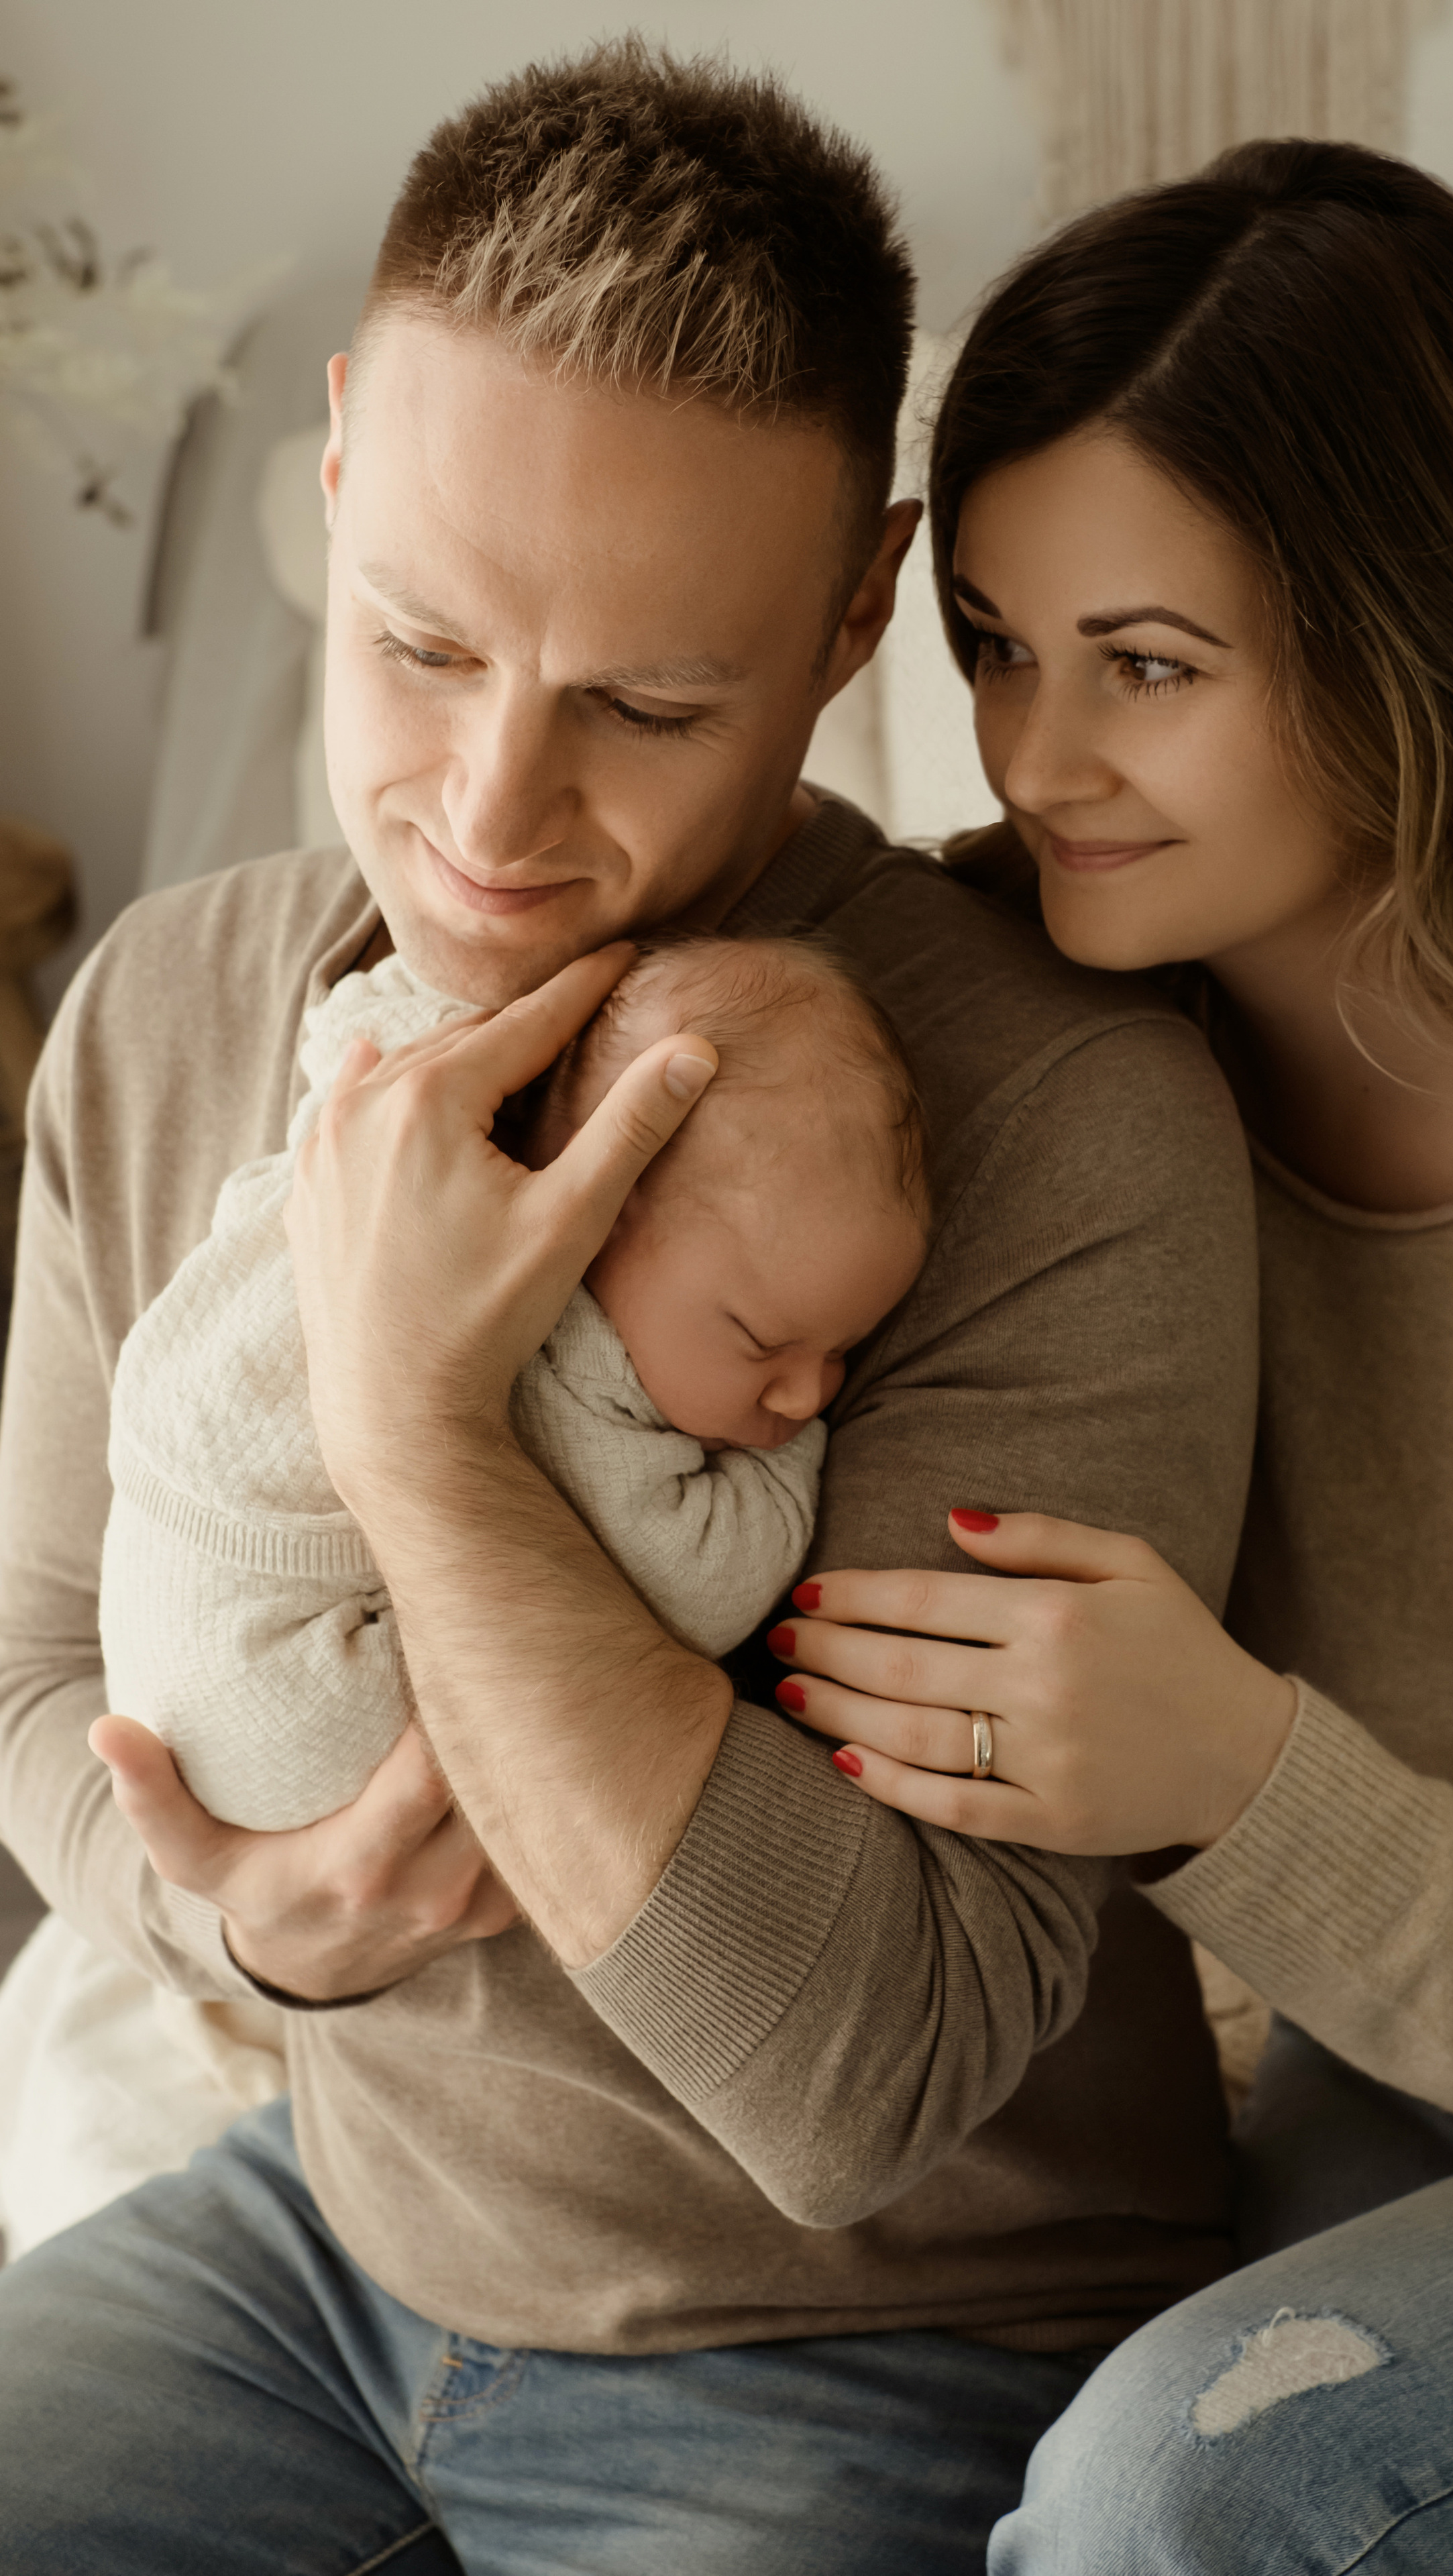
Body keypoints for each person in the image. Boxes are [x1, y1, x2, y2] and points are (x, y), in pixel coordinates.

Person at [0, 45, 1260, 2574]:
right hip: (327, 2256)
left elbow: (860, 2081)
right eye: (418, 643)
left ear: (854, 615)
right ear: (337, 467)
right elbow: (38, 1670)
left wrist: (421, 1426)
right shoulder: (163, 1010)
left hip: (886, 2337)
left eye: (648, 708)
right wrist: (248, 1924)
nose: (485, 812)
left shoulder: (1049, 1122)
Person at [773, 139, 1453, 2569]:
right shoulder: (1012, 1005)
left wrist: (1225, 1779)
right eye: (995, 644)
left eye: (1150, 666)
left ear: (1414, 634)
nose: (1034, 758)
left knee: (1180, 2486)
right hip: (1408, 2067)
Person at [100, 934, 929, 1831]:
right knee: (496, 1685)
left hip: (160, 1529)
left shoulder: (396, 1116)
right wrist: (786, 1462)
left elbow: (358, 1025)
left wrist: (482, 1019)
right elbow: (700, 1589)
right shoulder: (584, 1383)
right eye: (762, 1342)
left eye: (846, 1349)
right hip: (268, 1685)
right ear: (596, 1216)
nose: (808, 1396)